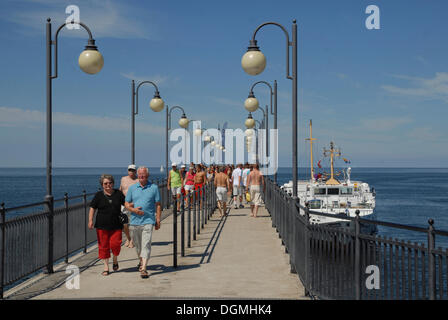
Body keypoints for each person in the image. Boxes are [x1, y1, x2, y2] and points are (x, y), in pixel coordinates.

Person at [125, 166, 161, 279]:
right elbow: (126, 204)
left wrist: (158, 219)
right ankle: (141, 261)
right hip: (134, 221)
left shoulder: (154, 188)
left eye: (144, 175)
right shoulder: (132, 188)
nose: (141, 177)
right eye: (140, 175)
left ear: (147, 175)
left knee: (146, 244)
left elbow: (158, 204)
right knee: (138, 246)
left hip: (148, 220)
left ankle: (144, 268)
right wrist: (133, 210)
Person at [88, 174, 125, 276]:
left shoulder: (118, 194)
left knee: (116, 245)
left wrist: (135, 209)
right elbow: (92, 208)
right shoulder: (98, 195)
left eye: (110, 183)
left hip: (116, 225)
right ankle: (106, 267)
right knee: (103, 246)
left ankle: (115, 259)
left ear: (113, 183)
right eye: (105, 183)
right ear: (102, 185)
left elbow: (126, 204)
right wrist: (90, 220)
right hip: (101, 225)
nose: (108, 185)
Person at [119, 164, 138, 248]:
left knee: (133, 223)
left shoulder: (138, 181)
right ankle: (128, 238)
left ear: (135, 171)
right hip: (123, 203)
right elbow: (120, 189)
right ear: (128, 171)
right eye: (130, 170)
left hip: (133, 204)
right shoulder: (123, 179)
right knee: (123, 224)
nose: (131, 172)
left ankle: (132, 241)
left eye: (133, 170)